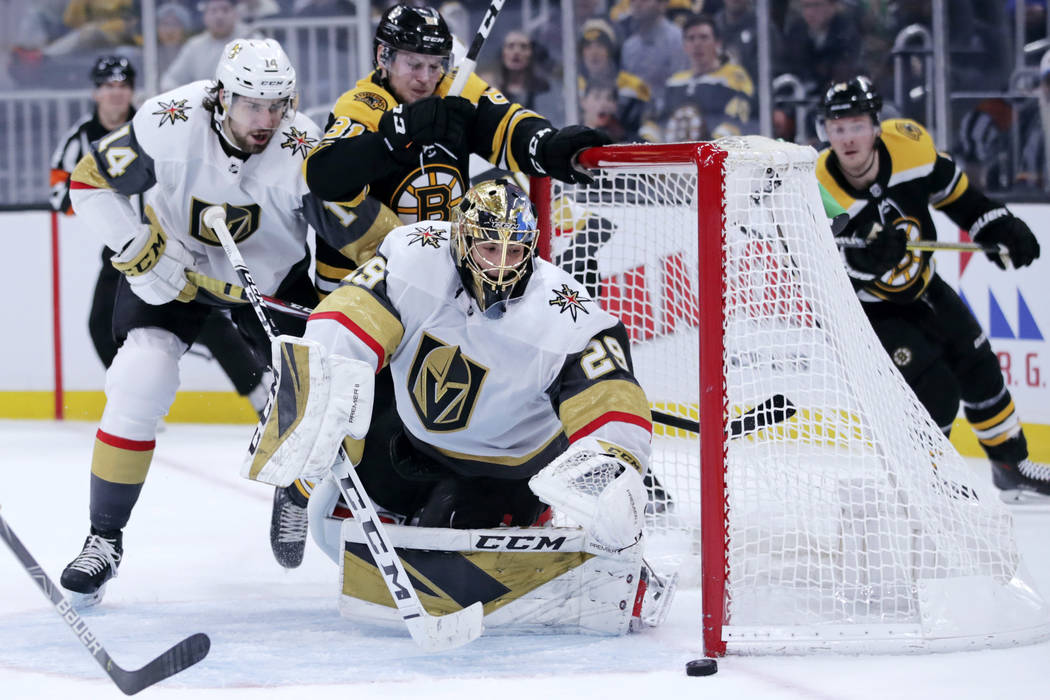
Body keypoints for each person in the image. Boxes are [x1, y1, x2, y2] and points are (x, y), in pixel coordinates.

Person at [244, 178, 673, 634]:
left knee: (440, 551)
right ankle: (298, 490)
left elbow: (611, 396)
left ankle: (530, 519)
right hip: (411, 437)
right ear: (462, 238)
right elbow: (345, 317)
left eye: (516, 251)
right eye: (490, 249)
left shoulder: (567, 315)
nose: (503, 266)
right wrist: (319, 391)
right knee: (332, 502)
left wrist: (612, 469)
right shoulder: (415, 256)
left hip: (506, 466)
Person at [59, 38, 398, 607]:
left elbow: (368, 236)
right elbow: (89, 183)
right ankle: (104, 540)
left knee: (320, 396)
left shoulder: (302, 147)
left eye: (277, 105)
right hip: (173, 275)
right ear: (221, 96)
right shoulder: (170, 122)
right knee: (140, 378)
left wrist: (439, 248)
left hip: (266, 284)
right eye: (250, 105)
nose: (265, 121)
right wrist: (138, 247)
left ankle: (296, 484)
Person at [293, 3, 613, 569]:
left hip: (440, 289)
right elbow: (325, 175)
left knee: (436, 424)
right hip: (370, 293)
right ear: (383, 59)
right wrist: (398, 133)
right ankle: (299, 490)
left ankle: (438, 515)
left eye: (434, 64)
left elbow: (509, 126)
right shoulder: (364, 104)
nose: (424, 77)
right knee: (355, 416)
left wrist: (551, 147)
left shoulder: (457, 89)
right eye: (412, 64)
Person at [815, 77, 1049, 500]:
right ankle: (924, 482)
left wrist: (1000, 225)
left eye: (856, 125)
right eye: (837, 127)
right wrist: (868, 260)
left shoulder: (910, 147)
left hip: (924, 286)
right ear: (825, 132)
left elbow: (961, 198)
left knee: (977, 361)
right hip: (870, 311)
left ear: (876, 125)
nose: (848, 138)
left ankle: (1010, 465)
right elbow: (822, 268)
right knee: (933, 387)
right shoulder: (817, 186)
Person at [49, 55, 272, 415]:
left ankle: (259, 391)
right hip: (123, 249)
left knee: (208, 319)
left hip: (174, 238)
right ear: (95, 92)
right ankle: (132, 403)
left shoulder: (152, 121)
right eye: (108, 86)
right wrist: (103, 205)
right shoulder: (81, 136)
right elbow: (60, 190)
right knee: (100, 324)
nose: (116, 94)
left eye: (123, 86)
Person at [641, 13, 753, 143]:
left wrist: (710, 147)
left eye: (704, 37)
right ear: (684, 45)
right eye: (691, 38)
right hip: (673, 157)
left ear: (717, 43)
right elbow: (655, 122)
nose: (697, 44)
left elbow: (738, 120)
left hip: (715, 156)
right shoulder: (674, 82)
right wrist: (645, 143)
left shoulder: (734, 77)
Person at [576, 19, 650, 143]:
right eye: (588, 47)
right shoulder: (574, 86)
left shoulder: (633, 86)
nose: (594, 53)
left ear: (610, 51)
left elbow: (649, 123)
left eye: (600, 46)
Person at [160, 0, 255, 92]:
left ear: (235, 13)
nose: (219, 16)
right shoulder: (195, 46)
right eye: (213, 11)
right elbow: (170, 80)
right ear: (205, 17)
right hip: (204, 104)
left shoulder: (251, 40)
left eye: (225, 10)